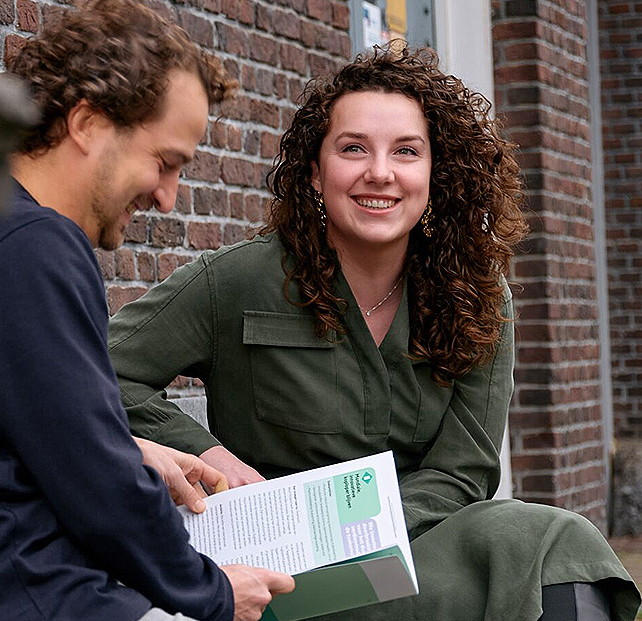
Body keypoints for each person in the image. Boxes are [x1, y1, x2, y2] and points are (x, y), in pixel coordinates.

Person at [108, 45, 641, 621]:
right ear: (316, 172)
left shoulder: (479, 298)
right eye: (353, 148)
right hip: (282, 565)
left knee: (554, 543)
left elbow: (463, 471)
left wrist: (369, 530)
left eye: (406, 151)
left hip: (419, 541)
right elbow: (97, 372)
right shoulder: (236, 282)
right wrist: (205, 454)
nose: (380, 172)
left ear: (436, 174)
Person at [0, 0, 296, 619]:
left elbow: (16, 436)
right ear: (87, 122)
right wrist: (213, 592)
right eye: (165, 163)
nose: (168, 198)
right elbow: (99, 487)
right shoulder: (30, 245)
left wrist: (129, 448)